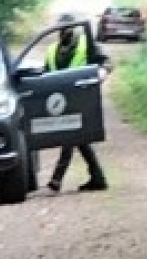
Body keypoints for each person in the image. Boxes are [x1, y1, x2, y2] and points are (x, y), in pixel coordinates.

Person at [45, 15, 112, 193]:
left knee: (71, 134)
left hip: (82, 97)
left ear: (73, 29)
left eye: (67, 28)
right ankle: (98, 177)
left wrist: (102, 72)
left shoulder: (86, 44)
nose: (63, 32)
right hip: (61, 100)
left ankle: (57, 178)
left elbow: (106, 62)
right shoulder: (52, 50)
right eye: (61, 29)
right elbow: (45, 74)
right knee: (79, 138)